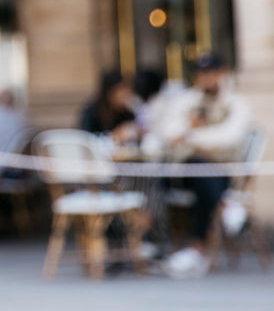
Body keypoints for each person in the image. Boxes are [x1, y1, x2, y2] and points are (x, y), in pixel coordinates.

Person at [157, 53, 252, 279]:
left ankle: (196, 248)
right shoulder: (187, 100)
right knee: (195, 167)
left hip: (222, 171)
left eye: (211, 73)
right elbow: (167, 131)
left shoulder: (236, 103)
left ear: (222, 74)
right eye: (202, 74)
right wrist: (190, 130)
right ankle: (227, 207)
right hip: (184, 172)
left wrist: (191, 135)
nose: (207, 79)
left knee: (202, 174)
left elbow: (230, 137)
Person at [79, 70, 141, 144]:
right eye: (122, 90)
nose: (126, 95)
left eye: (128, 90)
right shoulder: (92, 112)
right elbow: (86, 140)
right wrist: (113, 137)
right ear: (109, 92)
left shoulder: (127, 112)